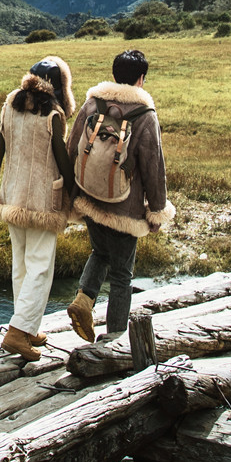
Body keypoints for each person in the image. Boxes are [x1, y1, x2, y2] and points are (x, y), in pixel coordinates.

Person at [66, 49, 174, 343]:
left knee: (100, 252)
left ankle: (83, 300)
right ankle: (114, 337)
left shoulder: (93, 103)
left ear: (114, 75)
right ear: (141, 79)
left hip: (90, 197)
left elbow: (72, 147)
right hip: (124, 208)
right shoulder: (145, 115)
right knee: (122, 275)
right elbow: (154, 167)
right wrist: (156, 211)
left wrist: (71, 193)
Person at [0, 56, 76, 361]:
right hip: (42, 200)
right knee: (40, 266)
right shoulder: (53, 114)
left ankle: (26, 327)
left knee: (20, 264)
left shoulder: (10, 103)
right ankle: (18, 331)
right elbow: (61, 158)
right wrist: (73, 190)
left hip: (12, 195)